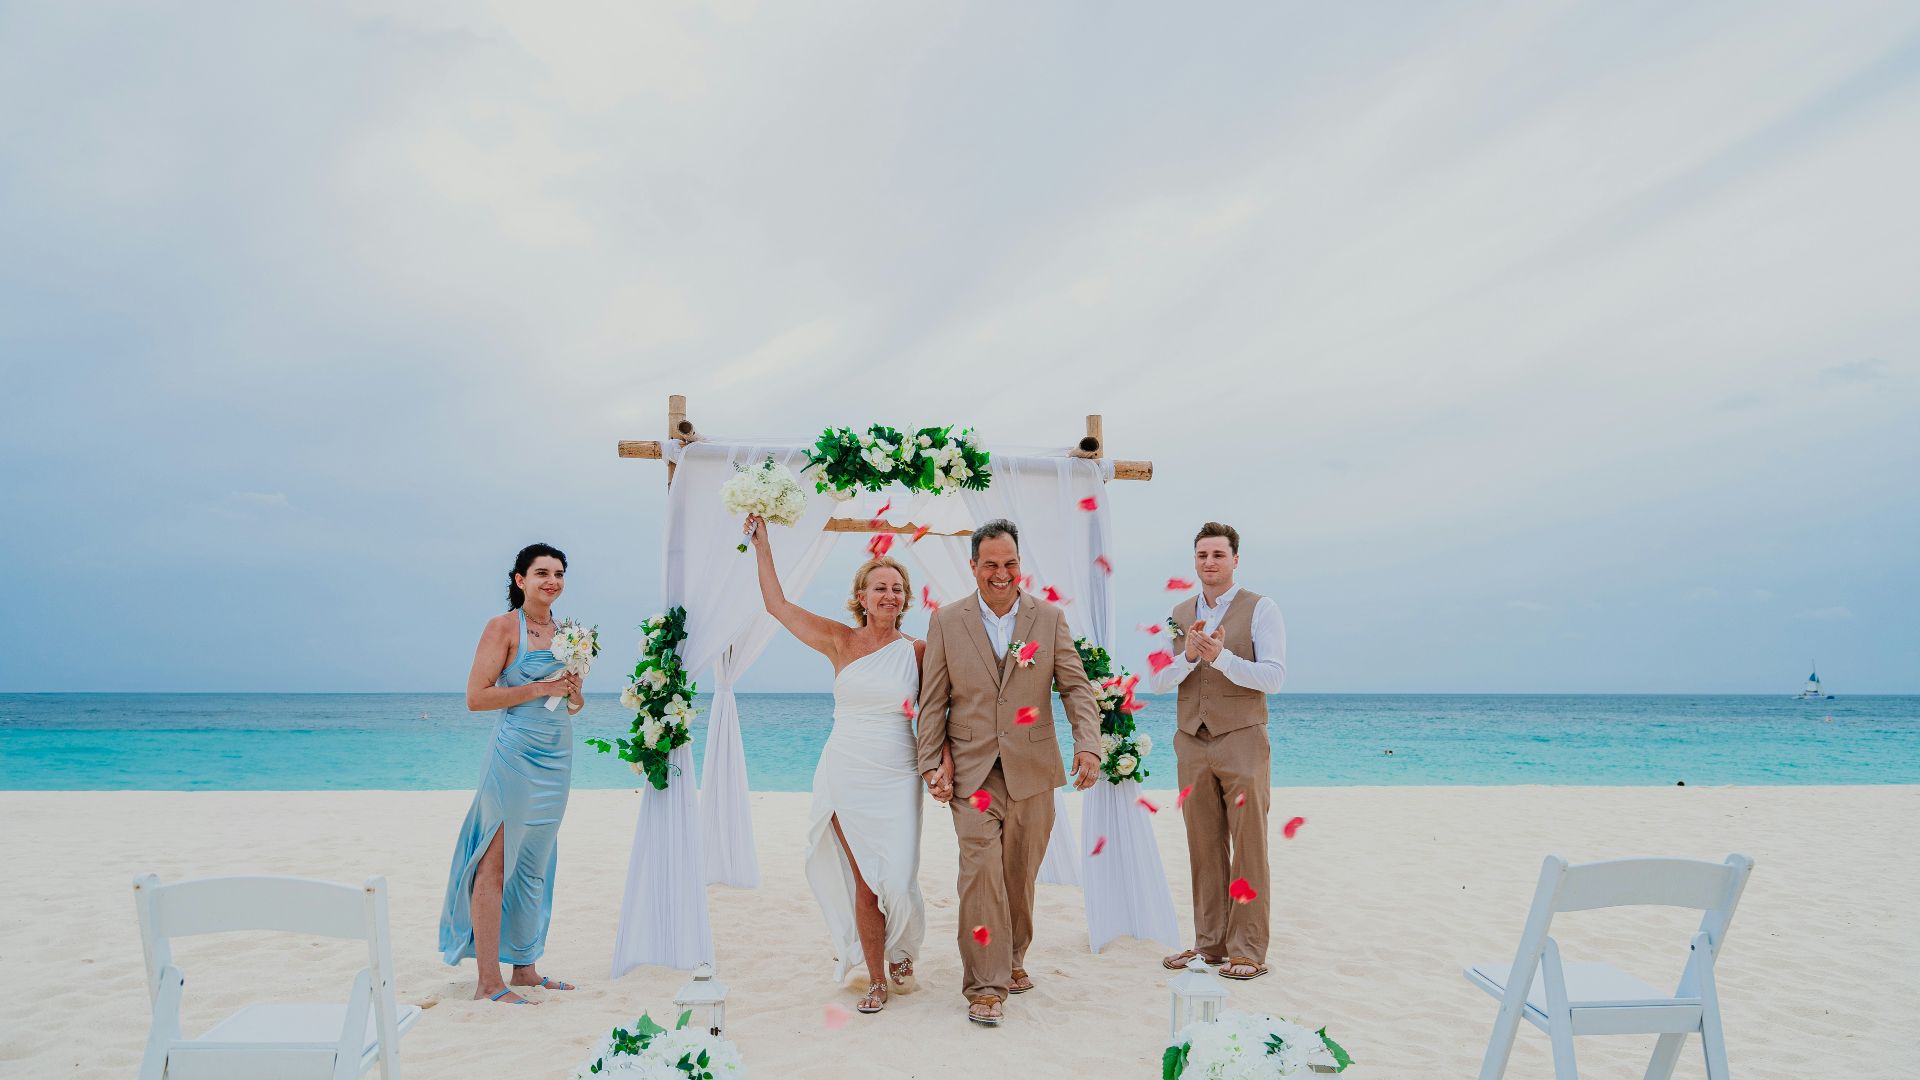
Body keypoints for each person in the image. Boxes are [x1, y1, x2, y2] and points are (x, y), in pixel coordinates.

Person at [746, 513, 937, 1015]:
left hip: (898, 771)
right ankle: (877, 977)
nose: (889, 596)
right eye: (880, 588)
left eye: (898, 589)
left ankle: (904, 948)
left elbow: (944, 709)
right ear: (862, 595)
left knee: (898, 875)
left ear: (905, 598)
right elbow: (777, 605)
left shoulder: (917, 651)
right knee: (866, 881)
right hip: (845, 767)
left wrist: (943, 764)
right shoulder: (839, 641)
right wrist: (763, 543)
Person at [915, 518, 1101, 1026]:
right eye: (991, 564)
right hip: (972, 773)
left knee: (1019, 876)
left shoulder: (1050, 619)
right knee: (979, 875)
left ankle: (1013, 958)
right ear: (972, 566)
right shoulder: (947, 621)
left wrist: (1089, 745)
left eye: (1010, 563)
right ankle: (984, 986)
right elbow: (932, 701)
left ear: (1021, 565)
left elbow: (1076, 688)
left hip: (1033, 770)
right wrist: (931, 761)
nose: (1002, 573)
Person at [438, 543, 584, 1004]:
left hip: (557, 756)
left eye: (559, 573)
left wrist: (573, 692)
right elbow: (476, 697)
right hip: (515, 756)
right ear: (520, 579)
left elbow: (573, 705)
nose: (552, 581)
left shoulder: (570, 633)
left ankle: (525, 970)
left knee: (535, 863)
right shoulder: (502, 627)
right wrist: (541, 686)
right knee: (496, 860)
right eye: (542, 572)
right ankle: (487, 982)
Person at [1150, 521, 1287, 981]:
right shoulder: (1179, 611)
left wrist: (1220, 658)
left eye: (1218, 555)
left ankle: (1247, 950)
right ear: (1194, 560)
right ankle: (1209, 945)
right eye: (1202, 555)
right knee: (1203, 845)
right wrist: (1189, 656)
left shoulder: (1261, 608)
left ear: (1235, 560)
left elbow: (1274, 677)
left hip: (1243, 737)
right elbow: (1158, 680)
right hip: (1191, 740)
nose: (1210, 563)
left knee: (1248, 844)